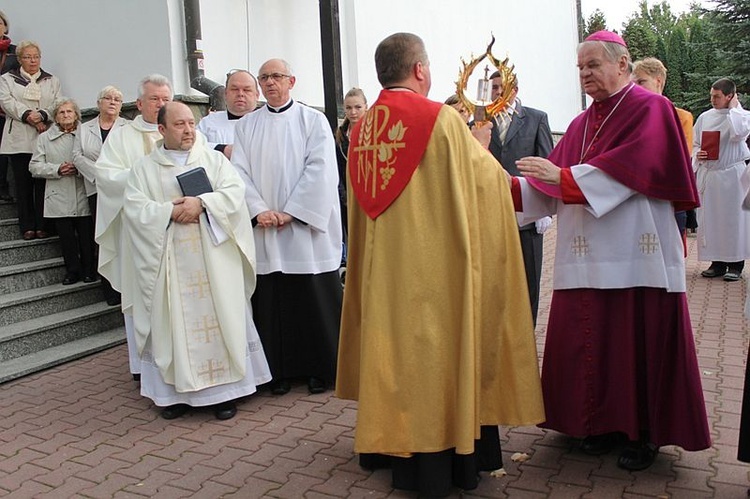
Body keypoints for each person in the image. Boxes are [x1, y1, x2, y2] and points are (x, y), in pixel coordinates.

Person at [335, 32, 544, 497]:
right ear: (421, 70)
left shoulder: (362, 128)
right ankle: (442, 460)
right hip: (433, 270)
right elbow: (484, 186)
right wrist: (482, 146)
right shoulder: (440, 120)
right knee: (434, 358)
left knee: (393, 354)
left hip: (382, 273)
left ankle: (387, 446)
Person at [513, 30, 710, 471]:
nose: (584, 74)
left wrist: (562, 178)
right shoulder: (582, 123)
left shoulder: (651, 108)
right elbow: (549, 183)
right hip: (585, 254)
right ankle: (597, 423)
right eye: (580, 67)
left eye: (593, 65)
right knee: (596, 340)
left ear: (622, 65)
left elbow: (629, 169)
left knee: (638, 340)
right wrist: (499, 188)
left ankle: (644, 433)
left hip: (638, 251)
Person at [122, 101, 271, 420]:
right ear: (161, 130)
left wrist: (202, 203)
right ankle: (173, 395)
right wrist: (169, 211)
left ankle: (224, 394)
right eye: (179, 124)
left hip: (213, 260)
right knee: (172, 322)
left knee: (218, 320)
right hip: (171, 264)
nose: (188, 130)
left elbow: (234, 194)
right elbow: (134, 210)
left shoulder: (213, 160)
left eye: (191, 123)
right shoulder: (143, 168)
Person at [232, 58, 343, 396]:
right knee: (273, 301)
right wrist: (259, 210)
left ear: (291, 81)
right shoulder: (246, 126)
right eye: (264, 78)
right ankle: (276, 371)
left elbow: (321, 170)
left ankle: (320, 370)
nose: (270, 83)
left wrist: (293, 212)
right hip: (266, 228)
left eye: (276, 76)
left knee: (312, 300)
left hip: (305, 232)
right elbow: (238, 173)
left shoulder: (313, 121)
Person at [96, 74, 172, 381]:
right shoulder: (122, 135)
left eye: (166, 99)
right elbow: (106, 176)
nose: (161, 105)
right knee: (140, 295)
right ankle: (143, 364)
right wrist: (150, 178)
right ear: (140, 103)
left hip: (177, 230)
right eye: (154, 99)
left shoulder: (182, 129)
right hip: (138, 233)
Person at [488, 71, 554, 325]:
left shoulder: (536, 119)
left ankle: (527, 333)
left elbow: (545, 163)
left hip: (527, 214)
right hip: (492, 213)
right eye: (493, 88)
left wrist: (544, 209)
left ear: (514, 90)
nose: (495, 93)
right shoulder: (481, 122)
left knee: (529, 280)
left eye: (500, 88)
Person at [72, 85, 129, 304]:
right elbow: (77, 156)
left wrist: (113, 178)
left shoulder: (128, 127)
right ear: (99, 103)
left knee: (124, 237)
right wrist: (102, 176)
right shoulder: (84, 128)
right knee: (104, 238)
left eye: (117, 99)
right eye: (108, 98)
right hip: (96, 189)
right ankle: (110, 292)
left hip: (122, 191)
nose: (112, 102)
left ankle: (126, 289)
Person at [29, 98, 95, 285]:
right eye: (61, 112)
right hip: (59, 194)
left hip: (82, 191)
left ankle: (89, 271)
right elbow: (34, 166)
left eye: (69, 112)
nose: (66, 115)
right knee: (66, 239)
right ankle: (72, 271)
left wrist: (81, 168)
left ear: (76, 115)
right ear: (56, 118)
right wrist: (57, 169)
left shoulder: (86, 135)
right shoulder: (44, 138)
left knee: (86, 236)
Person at [0, 40, 60, 240]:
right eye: (27, 57)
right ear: (19, 59)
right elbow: (7, 101)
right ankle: (27, 225)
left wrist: (42, 115)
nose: (32, 60)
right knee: (23, 183)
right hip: (19, 138)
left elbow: (57, 103)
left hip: (44, 136)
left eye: (36, 56)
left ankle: (43, 225)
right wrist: (28, 115)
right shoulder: (7, 79)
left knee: (42, 184)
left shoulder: (51, 80)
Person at [633, 57, 694, 250]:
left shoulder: (681, 116)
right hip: (636, 194)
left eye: (642, 82)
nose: (636, 87)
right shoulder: (631, 117)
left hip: (668, 193)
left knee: (669, 252)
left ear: (658, 81)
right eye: (633, 83)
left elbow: (682, 155)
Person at [693, 78, 750, 282]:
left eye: (717, 96)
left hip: (732, 175)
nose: (713, 100)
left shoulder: (742, 116)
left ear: (729, 96)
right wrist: (698, 153)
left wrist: (734, 108)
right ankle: (716, 263)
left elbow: (739, 133)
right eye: (711, 95)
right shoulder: (705, 117)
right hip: (711, 175)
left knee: (733, 220)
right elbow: (695, 143)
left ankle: (735, 264)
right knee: (711, 220)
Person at [334, 87, 367, 266]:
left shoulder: (374, 133)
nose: (353, 112)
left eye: (357, 107)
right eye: (348, 108)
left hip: (368, 194)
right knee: (352, 236)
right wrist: (343, 194)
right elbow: (337, 169)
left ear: (366, 107)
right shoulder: (340, 137)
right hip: (347, 197)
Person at [196, 69, 259, 159]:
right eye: (234, 89)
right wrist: (222, 149)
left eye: (247, 90)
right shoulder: (209, 122)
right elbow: (193, 145)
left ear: (257, 95)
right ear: (225, 94)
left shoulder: (266, 123)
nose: (240, 94)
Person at [0, 10, 19, 202]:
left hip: (5, 110)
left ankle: (3, 187)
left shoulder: (15, 52)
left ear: (5, 26)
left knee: (3, 152)